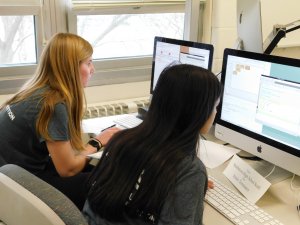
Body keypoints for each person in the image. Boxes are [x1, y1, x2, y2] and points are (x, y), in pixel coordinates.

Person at [83, 63, 222, 225]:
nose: (215, 113)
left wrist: (187, 190)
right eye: (215, 107)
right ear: (198, 112)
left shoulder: (122, 141)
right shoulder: (189, 169)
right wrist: (190, 185)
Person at [0, 33, 119, 210]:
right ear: (70, 67)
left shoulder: (34, 90)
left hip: (9, 177)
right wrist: (98, 141)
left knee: (97, 171)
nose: (92, 69)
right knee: (109, 181)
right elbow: (68, 169)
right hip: (21, 184)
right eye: (88, 63)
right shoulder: (52, 104)